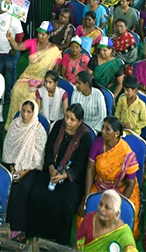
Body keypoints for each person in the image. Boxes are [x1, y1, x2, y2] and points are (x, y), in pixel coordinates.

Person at [27, 104, 92, 244]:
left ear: (80, 122)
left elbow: (80, 165)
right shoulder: (58, 126)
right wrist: (51, 168)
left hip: (70, 178)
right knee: (36, 193)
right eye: (66, 117)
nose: (68, 122)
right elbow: (49, 149)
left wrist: (63, 176)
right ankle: (37, 233)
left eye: (72, 119)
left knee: (66, 204)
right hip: (52, 170)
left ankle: (59, 241)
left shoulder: (85, 137)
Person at [3, 100, 47, 238]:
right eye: (23, 110)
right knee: (5, 183)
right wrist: (11, 168)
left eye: (29, 112)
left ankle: (18, 228)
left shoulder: (39, 130)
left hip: (30, 168)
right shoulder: (15, 124)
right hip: (12, 164)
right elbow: (8, 148)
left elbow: (38, 156)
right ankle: (3, 222)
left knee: (23, 189)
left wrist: (22, 172)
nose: (25, 114)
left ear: (34, 113)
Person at [6, 21, 63, 126]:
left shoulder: (54, 50)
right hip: (28, 75)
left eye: (43, 34)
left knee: (32, 96)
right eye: (39, 33)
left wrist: (46, 83)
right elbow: (17, 46)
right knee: (16, 90)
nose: (40, 36)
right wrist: (10, 39)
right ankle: (14, 123)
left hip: (43, 79)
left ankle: (31, 125)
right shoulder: (33, 42)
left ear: (49, 35)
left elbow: (55, 71)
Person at [85, 116, 141, 217]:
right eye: (102, 127)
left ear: (117, 133)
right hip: (99, 186)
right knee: (86, 216)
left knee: (121, 220)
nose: (102, 131)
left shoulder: (125, 152)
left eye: (107, 129)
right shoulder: (98, 143)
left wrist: (120, 206)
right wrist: (86, 197)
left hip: (121, 191)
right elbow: (90, 170)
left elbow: (130, 183)